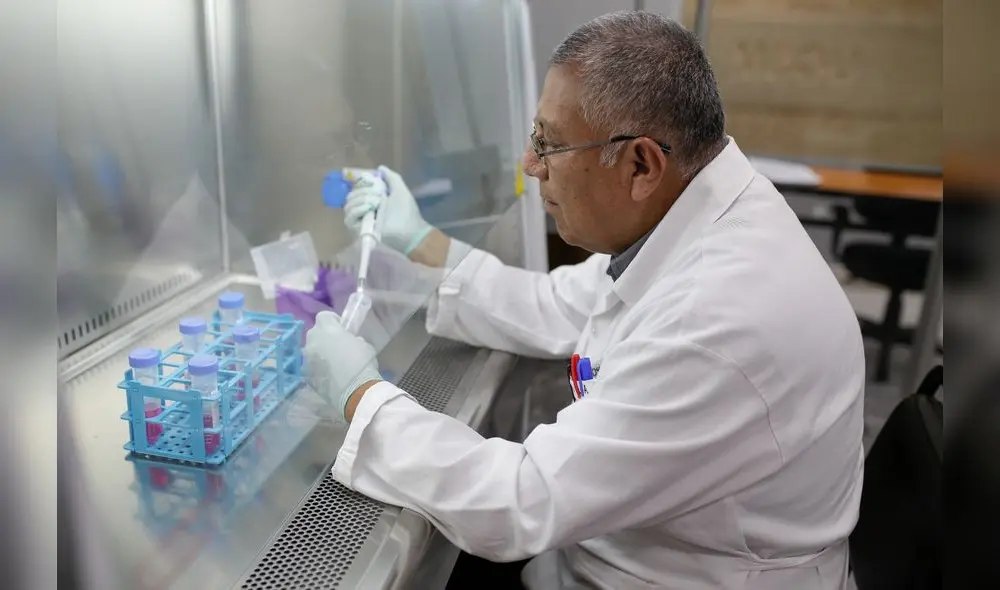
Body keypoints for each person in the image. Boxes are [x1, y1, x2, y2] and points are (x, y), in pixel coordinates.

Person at [304, 11, 865, 590]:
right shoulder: (694, 216)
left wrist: (361, 398)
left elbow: (518, 503)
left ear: (640, 164)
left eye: (548, 144)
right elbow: (555, 304)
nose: (530, 166)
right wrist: (421, 241)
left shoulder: (715, 320)